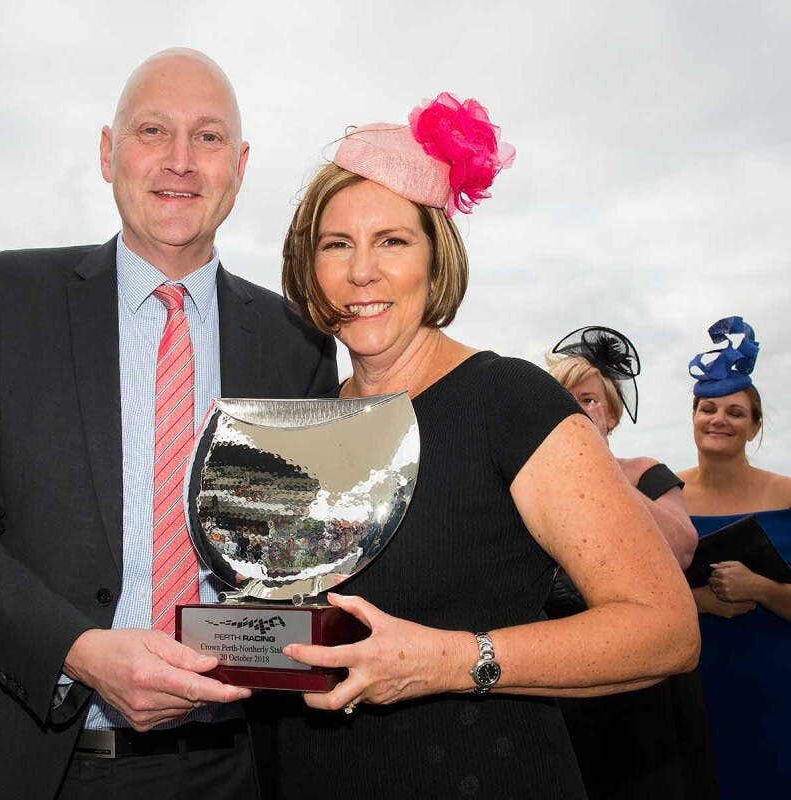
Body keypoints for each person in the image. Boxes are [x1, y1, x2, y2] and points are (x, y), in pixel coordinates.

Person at [0, 48, 337, 800]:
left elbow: (302, 560)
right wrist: (78, 651)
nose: (181, 162)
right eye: (153, 131)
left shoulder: (294, 342)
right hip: (24, 766)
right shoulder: (2, 298)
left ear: (242, 163)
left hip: (230, 769)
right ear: (107, 152)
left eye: (210, 137)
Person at [275, 92, 700, 799]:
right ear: (309, 267)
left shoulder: (510, 401)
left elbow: (665, 630)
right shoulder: (307, 425)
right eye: (337, 244)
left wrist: (446, 660)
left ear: (435, 262)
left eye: (392, 241)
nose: (361, 272)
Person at [546, 327, 716, 799]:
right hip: (563, 683)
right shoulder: (530, 487)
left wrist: (598, 468)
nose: (575, 410)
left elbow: (682, 547)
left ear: (613, 415)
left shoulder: (643, 472)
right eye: (561, 399)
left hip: (645, 693)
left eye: (587, 400)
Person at [677, 316, 791, 798]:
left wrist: (763, 589)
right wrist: (700, 600)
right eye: (708, 408)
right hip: (690, 686)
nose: (718, 419)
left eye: (735, 412)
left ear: (755, 426)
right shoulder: (664, 497)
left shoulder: (787, 496)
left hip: (776, 688)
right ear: (694, 417)